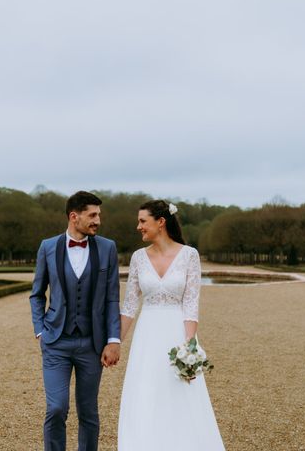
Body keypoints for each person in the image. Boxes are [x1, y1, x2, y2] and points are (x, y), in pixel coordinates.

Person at [118, 199, 225, 450]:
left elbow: (191, 302)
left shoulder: (189, 255)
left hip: (177, 332)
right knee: (146, 393)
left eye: (143, 221)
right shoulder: (137, 258)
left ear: (161, 222)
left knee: (180, 394)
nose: (138, 226)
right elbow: (130, 306)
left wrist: (189, 347)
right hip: (147, 336)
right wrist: (114, 343)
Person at [30, 191, 121, 451]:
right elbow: (36, 294)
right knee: (57, 408)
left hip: (92, 343)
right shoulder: (48, 247)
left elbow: (112, 298)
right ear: (74, 216)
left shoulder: (107, 248)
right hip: (56, 341)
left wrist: (113, 339)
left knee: (88, 412)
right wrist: (40, 331)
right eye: (92, 215)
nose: (98, 221)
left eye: (99, 215)